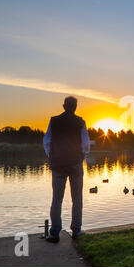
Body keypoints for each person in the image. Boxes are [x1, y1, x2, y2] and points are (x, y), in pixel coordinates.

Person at [43, 96, 90, 243]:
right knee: (77, 199)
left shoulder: (54, 121)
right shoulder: (80, 122)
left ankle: (55, 232)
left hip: (58, 164)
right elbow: (86, 144)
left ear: (64, 106)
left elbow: (47, 141)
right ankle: (76, 230)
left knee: (57, 199)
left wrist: (52, 156)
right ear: (75, 107)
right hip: (75, 163)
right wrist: (81, 157)